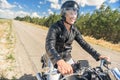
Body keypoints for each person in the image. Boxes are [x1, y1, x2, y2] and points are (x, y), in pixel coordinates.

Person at [45, 0, 110, 80]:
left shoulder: (74, 30)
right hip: (55, 59)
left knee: (78, 77)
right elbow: (49, 45)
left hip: (68, 58)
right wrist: (59, 61)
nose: (74, 16)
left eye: (75, 13)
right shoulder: (55, 27)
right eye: (71, 13)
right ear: (64, 13)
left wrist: (98, 55)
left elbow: (84, 44)